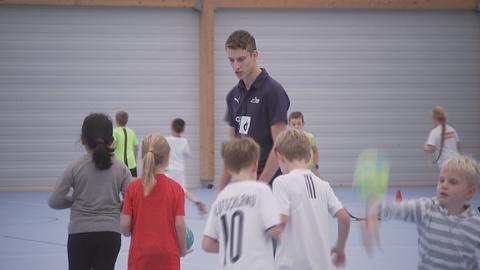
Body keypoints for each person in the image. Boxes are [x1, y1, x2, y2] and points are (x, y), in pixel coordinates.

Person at [363, 155, 480, 270]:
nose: (444, 185)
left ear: (469, 192)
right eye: (441, 180)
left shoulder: (475, 224)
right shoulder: (426, 208)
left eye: (453, 182)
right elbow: (397, 208)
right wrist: (376, 205)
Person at [48, 113, 131, 270]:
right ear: (112, 140)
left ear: (83, 139)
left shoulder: (75, 167)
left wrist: (74, 200)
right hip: (110, 234)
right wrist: (118, 206)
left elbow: (54, 200)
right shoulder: (121, 169)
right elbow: (133, 200)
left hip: (80, 233)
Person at [217, 29, 290, 191]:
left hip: (270, 185)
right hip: (243, 184)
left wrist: (260, 186)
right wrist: (220, 190)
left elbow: (279, 146)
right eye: (231, 60)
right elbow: (232, 149)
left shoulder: (273, 91)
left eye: (241, 59)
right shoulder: (232, 96)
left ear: (255, 55)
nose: (236, 66)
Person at [272, 129, 350, 270]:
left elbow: (281, 221)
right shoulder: (323, 185)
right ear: (309, 157)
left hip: (291, 265)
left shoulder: (282, 182)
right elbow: (344, 217)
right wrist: (339, 248)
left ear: (279, 156)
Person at [202, 137, 282, 270]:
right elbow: (274, 230)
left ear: (228, 168)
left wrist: (232, 245)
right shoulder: (261, 190)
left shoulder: (221, 197)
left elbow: (207, 244)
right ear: (255, 165)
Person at [120, 134, 188, 270]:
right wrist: (182, 249)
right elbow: (180, 225)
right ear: (168, 157)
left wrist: (131, 231)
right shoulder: (176, 188)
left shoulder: (132, 188)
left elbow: (125, 226)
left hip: (140, 256)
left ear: (142, 157)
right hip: (168, 257)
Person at [166, 118, 207, 215]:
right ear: (182, 130)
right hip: (180, 170)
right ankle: (196, 202)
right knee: (183, 191)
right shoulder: (184, 141)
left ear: (172, 128)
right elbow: (188, 154)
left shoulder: (167, 140)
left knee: (166, 190)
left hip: (169, 170)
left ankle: (167, 209)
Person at [288, 111, 321, 177]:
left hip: (310, 169)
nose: (296, 126)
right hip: (295, 170)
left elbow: (315, 151)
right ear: (289, 125)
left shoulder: (310, 137)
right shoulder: (288, 139)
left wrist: (314, 165)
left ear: (303, 124)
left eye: (299, 124)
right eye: (293, 124)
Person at [113, 110, 139, 177]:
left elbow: (113, 145)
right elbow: (136, 147)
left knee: (119, 186)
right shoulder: (131, 131)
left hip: (119, 164)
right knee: (133, 184)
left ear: (116, 120)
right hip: (131, 163)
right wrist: (134, 159)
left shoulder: (114, 132)